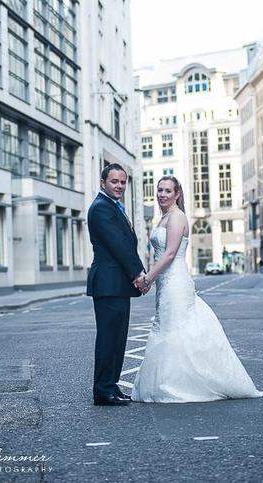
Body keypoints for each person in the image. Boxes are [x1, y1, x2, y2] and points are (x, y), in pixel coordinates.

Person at [131, 176, 262, 403]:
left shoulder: (177, 217)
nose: (162, 194)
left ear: (177, 194)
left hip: (175, 281)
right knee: (167, 326)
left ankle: (179, 384)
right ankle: (166, 381)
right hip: (166, 282)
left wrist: (149, 277)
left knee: (175, 328)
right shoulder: (163, 218)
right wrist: (153, 278)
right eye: (159, 190)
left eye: (167, 191)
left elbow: (170, 254)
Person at [87, 163, 150, 406]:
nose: (120, 186)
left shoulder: (112, 206)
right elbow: (119, 245)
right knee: (108, 339)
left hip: (116, 283)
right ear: (103, 183)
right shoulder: (101, 208)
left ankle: (111, 386)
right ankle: (103, 390)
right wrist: (138, 274)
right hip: (108, 283)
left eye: (123, 182)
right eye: (114, 181)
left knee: (118, 339)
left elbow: (125, 243)